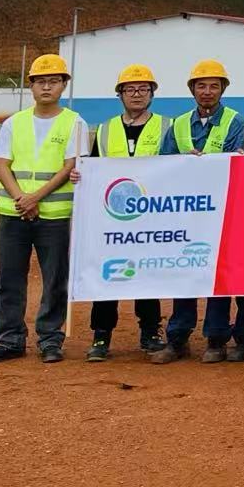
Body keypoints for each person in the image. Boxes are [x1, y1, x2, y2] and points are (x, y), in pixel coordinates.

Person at [0, 54, 85, 365]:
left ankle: (50, 339)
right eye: (41, 81)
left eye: (53, 81)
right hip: (14, 214)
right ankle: (10, 339)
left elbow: (69, 166)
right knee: (9, 279)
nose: (47, 87)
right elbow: (2, 164)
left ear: (63, 85)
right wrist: (21, 199)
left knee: (55, 279)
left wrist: (35, 197)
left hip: (54, 216)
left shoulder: (74, 123)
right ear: (31, 86)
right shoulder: (14, 123)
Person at [151, 58, 244, 365]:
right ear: (192, 89)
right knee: (185, 274)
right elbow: (164, 165)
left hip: (222, 214)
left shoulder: (236, 122)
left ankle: (216, 339)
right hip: (187, 214)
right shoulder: (179, 124)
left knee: (218, 277)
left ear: (223, 89)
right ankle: (177, 338)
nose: (207, 91)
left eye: (213, 86)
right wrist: (185, 163)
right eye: (201, 86)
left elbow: (236, 163)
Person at [85, 63, 169, 362]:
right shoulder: (105, 129)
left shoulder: (167, 126)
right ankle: (101, 335)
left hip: (151, 216)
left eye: (143, 89)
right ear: (120, 94)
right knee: (108, 275)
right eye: (130, 89)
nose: (137, 94)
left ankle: (150, 331)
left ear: (152, 94)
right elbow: (93, 169)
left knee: (147, 274)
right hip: (113, 216)